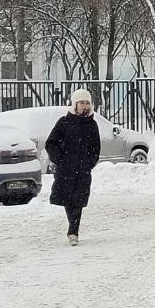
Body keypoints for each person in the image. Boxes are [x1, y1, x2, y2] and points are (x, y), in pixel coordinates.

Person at [46, 89, 101, 246]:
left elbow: (96, 148)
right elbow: (51, 143)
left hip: (83, 170)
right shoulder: (64, 122)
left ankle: (73, 231)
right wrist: (58, 158)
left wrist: (90, 162)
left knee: (79, 199)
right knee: (67, 199)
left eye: (87, 103)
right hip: (66, 169)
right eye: (81, 102)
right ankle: (73, 228)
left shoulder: (92, 124)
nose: (84, 105)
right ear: (75, 104)